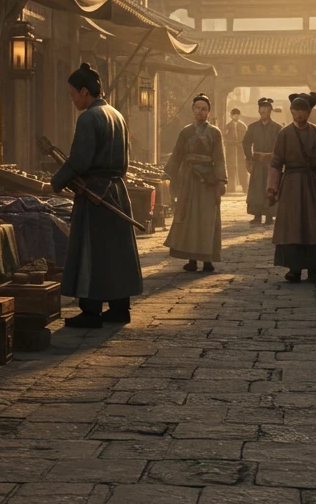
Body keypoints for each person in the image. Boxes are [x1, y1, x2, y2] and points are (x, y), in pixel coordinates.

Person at [51, 64, 144, 328]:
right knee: (115, 251)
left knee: (91, 249)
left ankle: (91, 311)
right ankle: (119, 308)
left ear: (84, 91)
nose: (72, 99)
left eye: (73, 94)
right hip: (115, 190)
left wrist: (56, 182)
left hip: (94, 194)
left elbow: (79, 161)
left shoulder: (89, 118)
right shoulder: (116, 114)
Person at [267, 93, 316, 282]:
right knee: (293, 226)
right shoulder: (284, 134)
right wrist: (272, 188)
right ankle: (295, 268)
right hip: (291, 184)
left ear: (308, 112)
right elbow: (275, 163)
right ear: (292, 111)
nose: (299, 114)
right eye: (296, 110)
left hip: (311, 183)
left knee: (314, 226)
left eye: (303, 111)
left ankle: (314, 268)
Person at [163, 94, 227, 272]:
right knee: (189, 219)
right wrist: (168, 175)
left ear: (208, 112)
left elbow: (219, 158)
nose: (200, 111)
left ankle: (207, 259)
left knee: (207, 219)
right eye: (197, 108)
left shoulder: (215, 133)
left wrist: (221, 180)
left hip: (208, 181)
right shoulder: (185, 132)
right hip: (189, 180)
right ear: (193, 110)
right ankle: (191, 259)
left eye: (204, 109)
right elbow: (177, 156)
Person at [242, 97, 281, 225]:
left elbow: (281, 145)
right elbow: (246, 142)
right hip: (258, 163)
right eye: (262, 109)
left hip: (271, 162)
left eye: (266, 109)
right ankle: (257, 216)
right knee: (257, 188)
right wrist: (249, 158)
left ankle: (269, 216)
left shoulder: (277, 127)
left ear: (271, 111)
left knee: (270, 188)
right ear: (258, 111)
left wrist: (278, 160)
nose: (264, 111)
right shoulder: (252, 127)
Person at [224, 108, 247, 193]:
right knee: (231, 168)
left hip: (241, 150)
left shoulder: (243, 126)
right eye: (234, 114)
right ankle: (231, 188)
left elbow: (246, 138)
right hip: (231, 150)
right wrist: (232, 142)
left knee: (242, 168)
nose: (236, 116)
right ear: (231, 116)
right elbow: (225, 138)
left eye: (237, 114)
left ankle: (245, 186)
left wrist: (240, 143)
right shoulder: (227, 126)